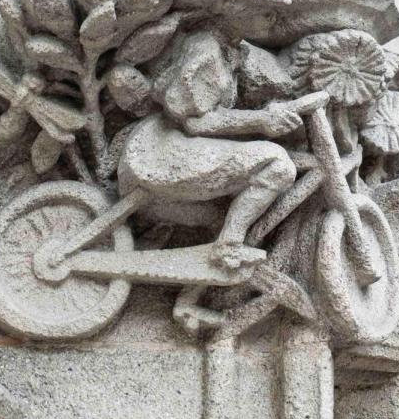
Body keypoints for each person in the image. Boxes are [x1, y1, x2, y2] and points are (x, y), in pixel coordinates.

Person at [118, 29, 301, 252]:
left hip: (172, 156)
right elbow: (195, 121)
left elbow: (279, 78)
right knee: (277, 164)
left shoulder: (235, 50)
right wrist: (260, 119)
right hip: (162, 152)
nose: (271, 21)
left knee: (217, 216)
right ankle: (228, 245)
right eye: (265, 11)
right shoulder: (206, 49)